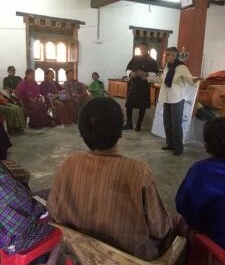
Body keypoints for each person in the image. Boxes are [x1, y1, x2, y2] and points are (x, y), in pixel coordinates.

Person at [47, 97, 172, 261]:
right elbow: (160, 229)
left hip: (81, 254)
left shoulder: (70, 162)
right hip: (129, 260)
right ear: (120, 132)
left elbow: (53, 210)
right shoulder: (138, 171)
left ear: (82, 133)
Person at [176, 118, 225, 249]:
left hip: (216, 249)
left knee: (177, 220)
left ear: (207, 145)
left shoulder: (201, 172)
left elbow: (183, 207)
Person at [0, 161, 53, 256]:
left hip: (6, 236)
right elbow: (20, 224)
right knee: (62, 218)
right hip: (15, 242)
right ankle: (52, 260)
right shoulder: (2, 187)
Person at [159, 47, 200, 156]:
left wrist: (194, 80)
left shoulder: (181, 67)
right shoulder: (167, 66)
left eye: (168, 54)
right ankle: (170, 144)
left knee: (176, 124)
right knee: (167, 123)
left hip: (177, 98)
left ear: (174, 56)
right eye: (166, 54)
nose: (166, 56)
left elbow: (188, 78)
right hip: (167, 98)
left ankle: (178, 147)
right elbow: (164, 79)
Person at [123, 43, 159, 132]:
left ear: (147, 49)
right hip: (134, 84)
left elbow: (155, 73)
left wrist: (146, 74)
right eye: (141, 49)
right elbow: (127, 69)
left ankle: (138, 124)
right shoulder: (135, 58)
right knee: (129, 104)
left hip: (144, 86)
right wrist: (131, 73)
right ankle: (129, 123)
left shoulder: (152, 60)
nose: (142, 50)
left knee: (142, 106)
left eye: (144, 49)